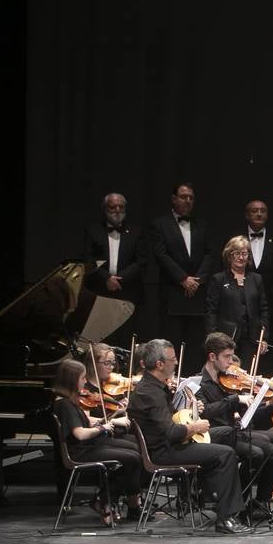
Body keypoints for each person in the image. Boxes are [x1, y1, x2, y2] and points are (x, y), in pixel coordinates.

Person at [126, 339, 244, 534]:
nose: (176, 363)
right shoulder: (150, 393)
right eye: (173, 359)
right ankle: (225, 517)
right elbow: (171, 432)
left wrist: (190, 411)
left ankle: (211, 496)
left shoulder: (155, 387)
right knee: (225, 454)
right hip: (163, 452)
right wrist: (195, 427)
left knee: (224, 436)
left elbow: (170, 419)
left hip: (169, 445)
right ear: (160, 364)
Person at [195, 332, 273, 519]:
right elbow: (205, 412)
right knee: (257, 453)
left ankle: (260, 501)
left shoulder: (226, 378)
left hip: (234, 431)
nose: (231, 362)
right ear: (212, 357)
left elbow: (238, 403)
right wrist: (235, 400)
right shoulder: (199, 383)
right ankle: (238, 502)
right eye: (226, 357)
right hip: (215, 434)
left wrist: (253, 387)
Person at [51, 357, 144, 525]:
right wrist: (103, 428)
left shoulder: (72, 401)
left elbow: (87, 423)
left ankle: (107, 499)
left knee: (137, 452)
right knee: (133, 458)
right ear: (72, 380)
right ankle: (105, 499)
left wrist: (111, 419)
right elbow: (80, 434)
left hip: (90, 445)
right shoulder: (64, 404)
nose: (85, 381)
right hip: (81, 451)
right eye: (83, 378)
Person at [148, 183, 215, 370]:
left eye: (191, 198)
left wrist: (197, 280)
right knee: (172, 340)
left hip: (197, 292)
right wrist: (183, 279)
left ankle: (192, 381)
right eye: (184, 197)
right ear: (173, 199)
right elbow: (161, 255)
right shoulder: (160, 224)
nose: (188, 201)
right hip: (173, 291)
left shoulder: (202, 224)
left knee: (196, 341)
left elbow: (210, 254)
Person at [79, 192, 144, 345]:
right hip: (100, 292)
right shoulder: (93, 230)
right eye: (113, 207)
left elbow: (142, 262)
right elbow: (88, 259)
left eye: (121, 206)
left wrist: (119, 279)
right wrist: (106, 278)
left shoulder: (136, 232)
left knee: (126, 339)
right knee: (100, 339)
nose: (117, 210)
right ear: (105, 209)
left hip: (127, 293)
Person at [203, 237, 270, 362]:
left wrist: (264, 337)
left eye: (244, 253)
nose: (241, 257)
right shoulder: (219, 279)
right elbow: (211, 311)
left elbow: (263, 310)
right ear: (229, 256)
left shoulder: (256, 279)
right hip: (226, 338)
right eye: (237, 253)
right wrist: (212, 338)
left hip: (251, 337)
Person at [240, 199, 273, 345]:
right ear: (247, 215)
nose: (259, 214)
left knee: (271, 342)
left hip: (271, 302)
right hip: (242, 298)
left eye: (263, 211)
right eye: (254, 211)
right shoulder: (237, 238)